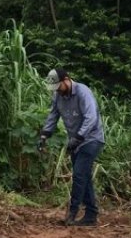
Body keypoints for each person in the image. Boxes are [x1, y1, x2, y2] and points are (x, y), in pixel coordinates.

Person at [39, 68, 105, 227]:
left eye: (58, 87)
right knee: (84, 177)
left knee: (79, 175)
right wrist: (44, 135)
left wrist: (78, 137)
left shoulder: (83, 92)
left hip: (91, 139)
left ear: (66, 80)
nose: (57, 91)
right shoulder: (58, 96)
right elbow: (53, 115)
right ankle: (91, 215)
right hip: (75, 142)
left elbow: (91, 118)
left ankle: (72, 213)